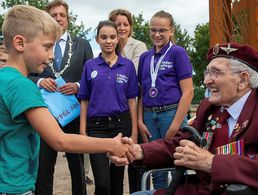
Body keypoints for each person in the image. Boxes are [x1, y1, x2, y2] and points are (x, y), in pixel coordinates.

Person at [0, 5, 134, 195]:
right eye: (46, 46)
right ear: (20, 43)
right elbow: (60, 141)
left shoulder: (3, 78)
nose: (52, 55)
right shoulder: (23, 87)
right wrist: (112, 144)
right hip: (14, 187)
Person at [110, 42, 258, 195]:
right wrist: (138, 150)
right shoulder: (209, 108)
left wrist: (212, 163)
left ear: (243, 80)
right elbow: (179, 144)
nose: (207, 80)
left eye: (216, 73)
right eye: (207, 73)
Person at [28, 1, 93, 194]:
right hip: (45, 114)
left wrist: (78, 86)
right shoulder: (37, 44)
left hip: (73, 113)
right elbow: (28, 73)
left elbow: (90, 76)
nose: (58, 18)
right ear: (47, 18)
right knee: (44, 167)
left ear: (68, 18)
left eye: (62, 15)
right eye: (53, 15)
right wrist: (40, 83)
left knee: (77, 167)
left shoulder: (82, 44)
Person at [78, 20, 138, 195]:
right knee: (102, 183)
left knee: (117, 182)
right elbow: (84, 99)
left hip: (121, 126)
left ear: (118, 39)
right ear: (97, 39)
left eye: (112, 37)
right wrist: (83, 131)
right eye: (104, 37)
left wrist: (133, 131)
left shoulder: (127, 66)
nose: (108, 41)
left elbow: (131, 100)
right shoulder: (90, 66)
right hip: (96, 128)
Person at [137, 10, 193, 189]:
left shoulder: (178, 53)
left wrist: (175, 126)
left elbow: (188, 92)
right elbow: (141, 90)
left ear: (171, 31)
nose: (157, 34)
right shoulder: (146, 56)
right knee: (156, 166)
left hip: (171, 113)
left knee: (177, 163)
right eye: (153, 30)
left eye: (162, 30)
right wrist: (139, 120)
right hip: (149, 116)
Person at [108, 8, 147, 193]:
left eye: (125, 24)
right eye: (118, 24)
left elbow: (131, 71)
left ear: (130, 27)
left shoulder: (138, 46)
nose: (122, 28)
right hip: (113, 110)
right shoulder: (105, 48)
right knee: (115, 162)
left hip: (133, 107)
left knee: (134, 158)